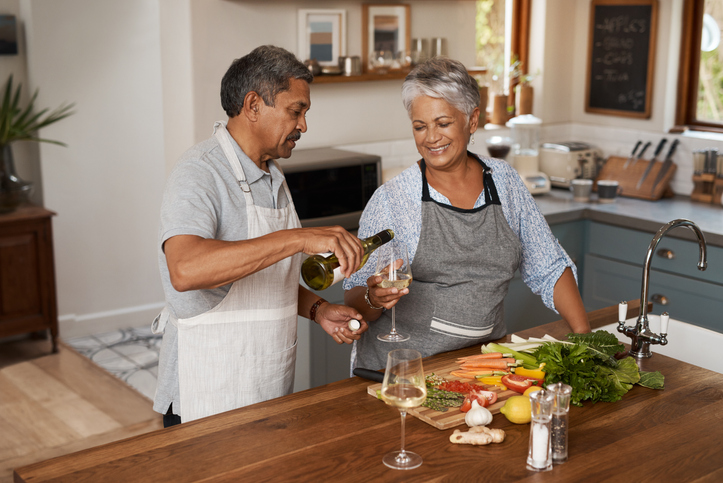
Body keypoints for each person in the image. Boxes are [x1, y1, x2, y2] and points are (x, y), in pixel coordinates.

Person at [152, 45, 367, 426]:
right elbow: (185, 270)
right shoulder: (199, 172)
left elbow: (266, 276)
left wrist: (319, 310)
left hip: (266, 387)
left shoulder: (272, 176)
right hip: (206, 393)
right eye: (296, 111)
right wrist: (298, 239)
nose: (303, 125)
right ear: (253, 105)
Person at [343, 57, 590, 372]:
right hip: (402, 373)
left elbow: (549, 266)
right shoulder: (394, 199)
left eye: (443, 123)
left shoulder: (504, 182)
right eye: (420, 126)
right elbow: (356, 295)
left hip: (482, 366)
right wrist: (374, 299)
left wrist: (584, 335)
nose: (431, 137)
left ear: (472, 121)